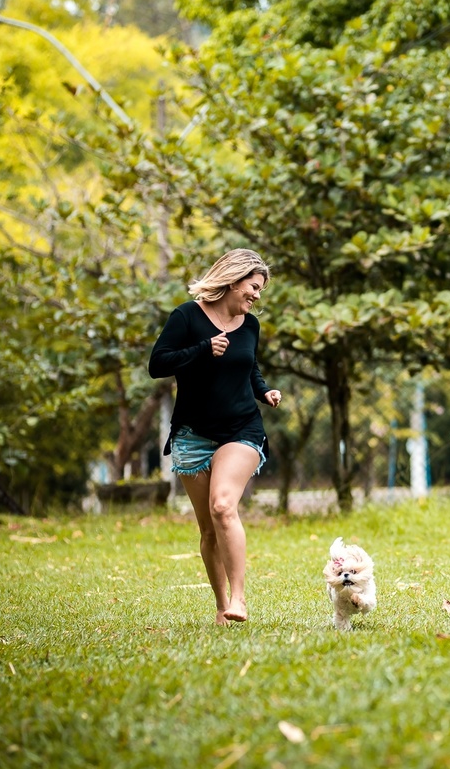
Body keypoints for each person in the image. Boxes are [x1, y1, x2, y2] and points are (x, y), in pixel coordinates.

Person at [148, 248, 282, 624]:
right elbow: (158, 364)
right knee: (208, 528)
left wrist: (264, 390)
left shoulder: (250, 326)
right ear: (232, 279)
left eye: (259, 290)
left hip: (242, 428)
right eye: (253, 287)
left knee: (223, 506)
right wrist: (203, 350)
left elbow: (249, 367)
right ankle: (222, 605)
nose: (256, 296)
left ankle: (239, 599)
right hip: (192, 434)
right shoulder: (186, 317)